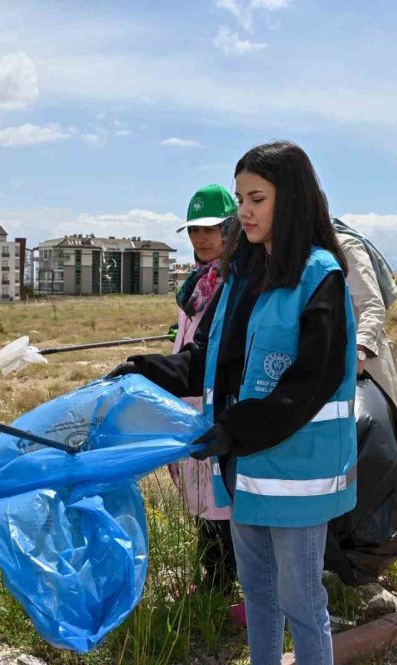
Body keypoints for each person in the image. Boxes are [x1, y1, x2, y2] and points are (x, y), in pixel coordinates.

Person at [110, 141, 357, 665]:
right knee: (260, 597)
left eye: (257, 198)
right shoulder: (242, 275)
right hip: (243, 466)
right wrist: (148, 368)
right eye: (241, 197)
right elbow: (210, 360)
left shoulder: (320, 277)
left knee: (302, 601)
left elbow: (308, 384)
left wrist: (236, 428)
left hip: (297, 474)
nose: (243, 211)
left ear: (291, 201)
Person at [169, 184, 240, 601]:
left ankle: (220, 587)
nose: (202, 238)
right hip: (190, 401)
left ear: (231, 228)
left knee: (221, 500)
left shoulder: (236, 280)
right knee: (200, 497)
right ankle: (213, 579)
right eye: (195, 230)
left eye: (211, 229)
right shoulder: (196, 283)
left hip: (218, 402)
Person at [332, 218, 397, 453]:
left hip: (367, 362)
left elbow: (372, 304)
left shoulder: (344, 246)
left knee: (386, 438)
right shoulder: (297, 252)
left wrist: (360, 351)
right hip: (332, 365)